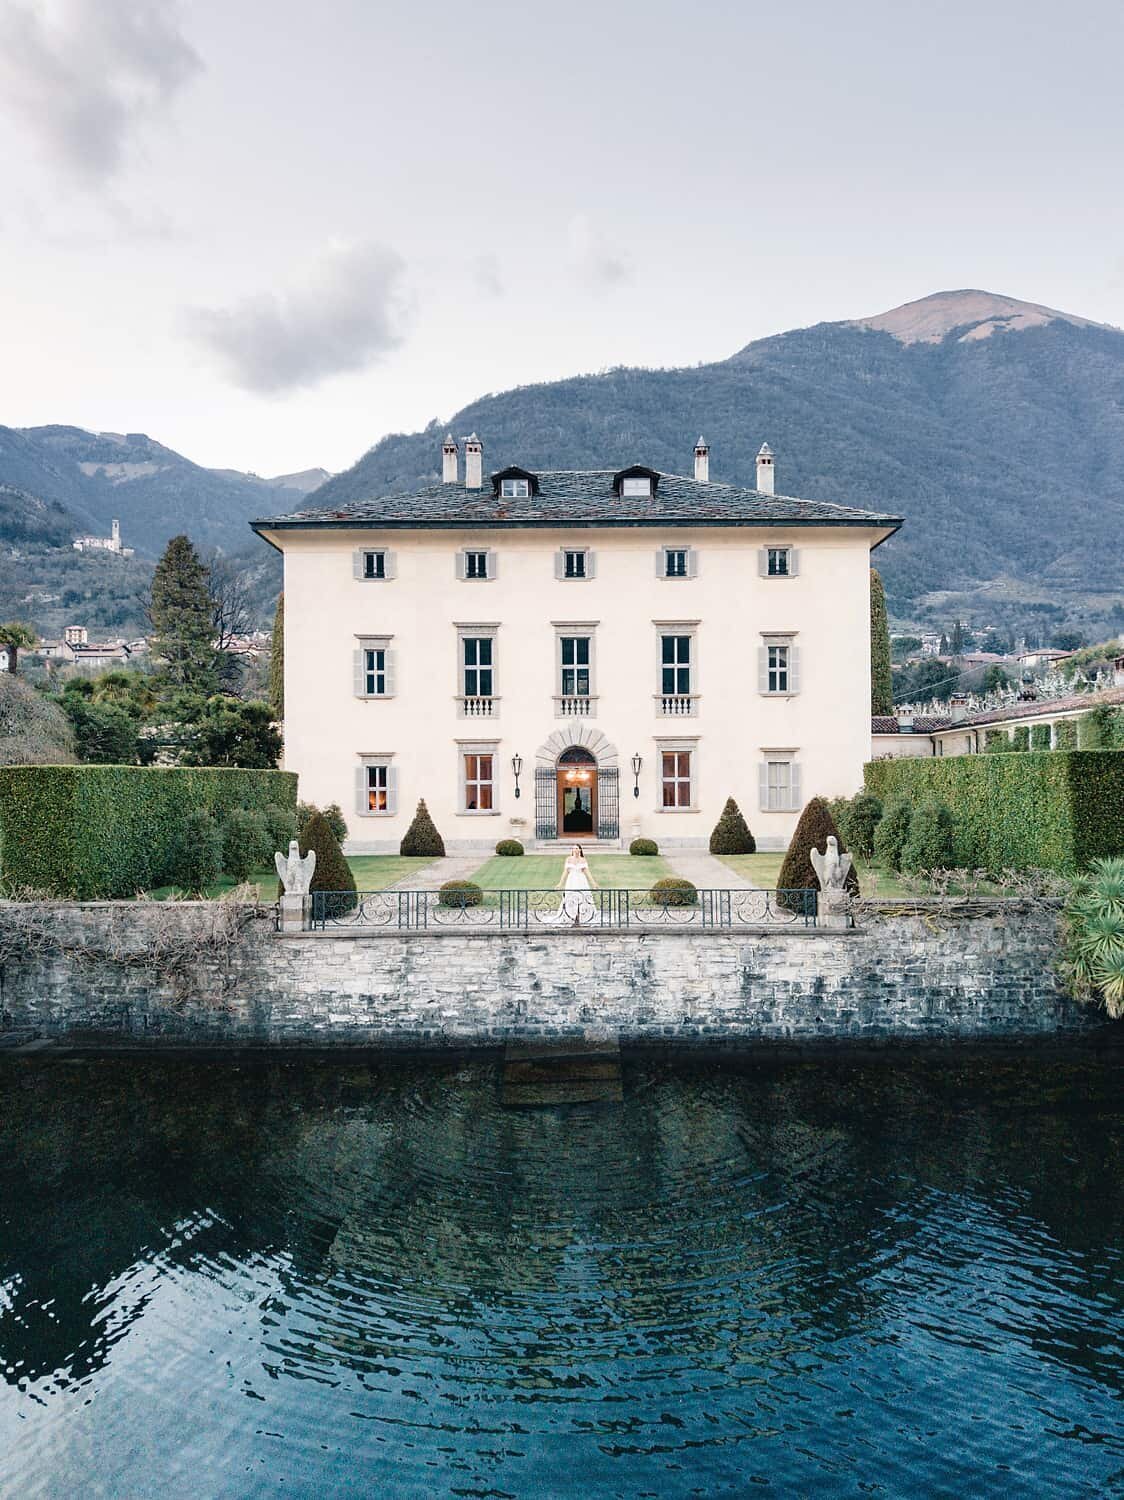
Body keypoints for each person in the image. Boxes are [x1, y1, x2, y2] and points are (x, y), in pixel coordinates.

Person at [544, 843, 597, 925]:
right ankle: (571, 917)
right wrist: (560, 884)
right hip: (571, 880)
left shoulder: (583, 860)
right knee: (570, 898)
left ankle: (582, 917)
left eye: (576, 848)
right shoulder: (569, 859)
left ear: (580, 850)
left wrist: (593, 883)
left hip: (581, 880)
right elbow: (565, 872)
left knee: (582, 897)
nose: (575, 850)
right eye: (573, 848)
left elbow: (587, 873)